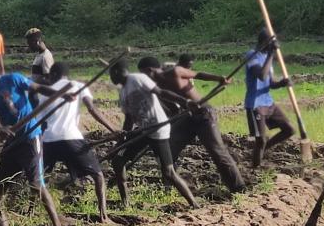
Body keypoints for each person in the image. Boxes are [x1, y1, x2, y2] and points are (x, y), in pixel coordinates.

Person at [0, 55, 65, 226]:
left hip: (30, 138)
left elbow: (38, 88)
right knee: (1, 185)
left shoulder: (13, 79)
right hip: (12, 143)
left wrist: (60, 95)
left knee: (37, 184)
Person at [109, 57, 198, 209]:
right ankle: (125, 204)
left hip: (158, 129)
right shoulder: (122, 93)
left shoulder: (138, 79)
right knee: (118, 161)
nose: (110, 78)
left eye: (111, 73)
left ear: (116, 71)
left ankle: (194, 204)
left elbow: (161, 92)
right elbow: (129, 120)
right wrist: (122, 138)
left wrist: (185, 103)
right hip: (143, 130)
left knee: (169, 172)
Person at [40, 62, 120, 222]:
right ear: (66, 75)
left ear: (53, 75)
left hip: (48, 140)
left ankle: (34, 211)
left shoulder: (44, 94)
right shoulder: (77, 85)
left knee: (40, 178)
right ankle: (104, 216)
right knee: (98, 175)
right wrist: (113, 130)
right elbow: (92, 109)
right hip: (71, 137)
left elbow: (40, 121)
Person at [154, 54, 246, 193]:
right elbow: (172, 108)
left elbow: (198, 74)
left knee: (217, 152)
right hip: (186, 117)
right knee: (169, 150)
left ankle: (239, 188)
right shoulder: (156, 87)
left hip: (203, 114)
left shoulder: (176, 71)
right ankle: (169, 187)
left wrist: (219, 79)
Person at [244, 28, 293, 167]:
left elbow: (270, 83)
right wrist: (271, 53)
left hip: (268, 102)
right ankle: (255, 169)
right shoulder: (251, 56)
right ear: (264, 42)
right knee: (261, 140)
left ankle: (263, 150)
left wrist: (282, 83)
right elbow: (261, 75)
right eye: (271, 43)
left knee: (289, 130)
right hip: (255, 104)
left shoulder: (267, 58)